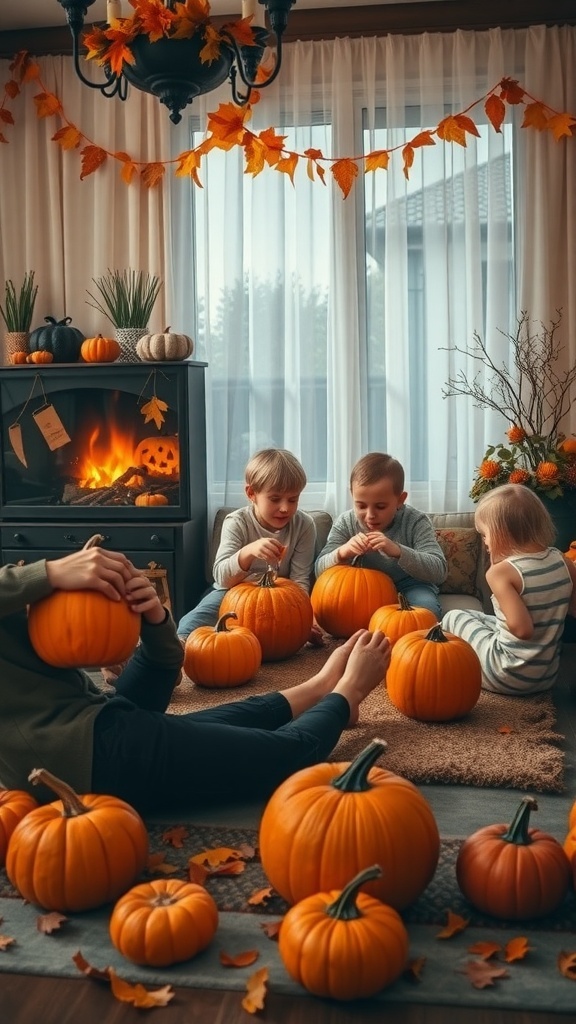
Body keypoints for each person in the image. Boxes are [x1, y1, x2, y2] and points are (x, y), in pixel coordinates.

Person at [0, 541, 390, 814]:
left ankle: (319, 687)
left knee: (229, 717)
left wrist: (154, 620)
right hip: (75, 761)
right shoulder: (23, 584)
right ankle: (348, 691)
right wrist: (47, 572)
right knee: (282, 755)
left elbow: (142, 702)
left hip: (95, 728)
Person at [177, 447, 323, 644]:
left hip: (279, 598)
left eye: (293, 499)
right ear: (251, 493)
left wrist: (303, 620)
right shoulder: (236, 522)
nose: (285, 508)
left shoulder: (304, 525)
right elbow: (221, 576)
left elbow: (299, 580)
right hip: (232, 592)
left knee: (289, 633)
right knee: (189, 625)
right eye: (275, 499)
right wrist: (248, 552)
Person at [442, 484, 576, 695]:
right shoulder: (563, 561)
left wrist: (496, 568)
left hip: (506, 674)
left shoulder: (501, 574)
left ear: (500, 533)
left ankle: (448, 669)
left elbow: (523, 630)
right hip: (547, 676)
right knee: (477, 617)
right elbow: (572, 610)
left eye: (485, 535)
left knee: (453, 617)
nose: (484, 542)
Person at [315, 452, 447, 619]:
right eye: (361, 506)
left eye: (380, 506)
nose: (370, 515)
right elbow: (319, 570)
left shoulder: (416, 521)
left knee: (427, 613)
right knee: (340, 615)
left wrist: (398, 551)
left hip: (412, 585)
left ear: (400, 500)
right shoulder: (346, 522)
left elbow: (439, 570)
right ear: (352, 495)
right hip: (366, 590)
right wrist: (343, 552)